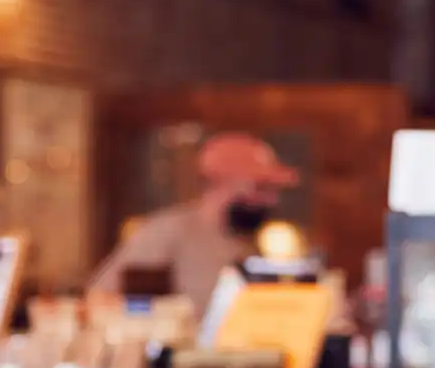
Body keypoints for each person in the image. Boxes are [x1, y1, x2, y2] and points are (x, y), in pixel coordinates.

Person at [88, 131, 298, 310]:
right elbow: (101, 299)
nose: (271, 200)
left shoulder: (247, 245)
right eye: (261, 189)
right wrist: (161, 320)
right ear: (221, 184)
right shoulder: (167, 232)